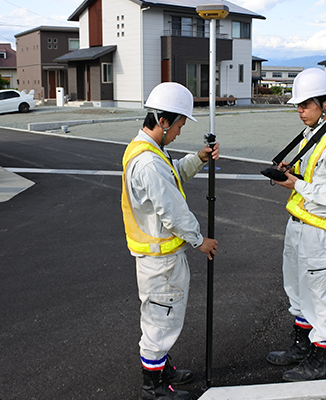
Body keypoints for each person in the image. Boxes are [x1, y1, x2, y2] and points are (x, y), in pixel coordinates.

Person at [121, 82, 219, 400]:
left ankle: (161, 369)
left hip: (160, 257)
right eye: (178, 125)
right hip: (160, 260)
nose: (179, 132)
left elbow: (172, 174)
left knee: (162, 317)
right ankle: (155, 387)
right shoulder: (148, 161)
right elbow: (172, 211)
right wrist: (199, 240)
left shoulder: (148, 150)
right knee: (160, 323)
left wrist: (199, 158)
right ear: (163, 121)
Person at [266, 68, 326, 382]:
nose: (300, 110)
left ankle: (317, 361)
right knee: (297, 291)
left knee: (320, 300)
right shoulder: (313, 136)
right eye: (298, 105)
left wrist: (296, 185)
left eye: (306, 104)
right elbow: (316, 181)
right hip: (299, 227)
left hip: (321, 234)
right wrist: (294, 176)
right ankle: (301, 346)